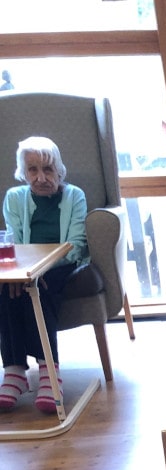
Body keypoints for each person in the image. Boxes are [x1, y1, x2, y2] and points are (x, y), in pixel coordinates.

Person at [0, 136, 89, 413]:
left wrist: (39, 271)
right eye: (33, 170)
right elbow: (15, 242)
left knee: (40, 286)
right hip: (26, 265)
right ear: (23, 172)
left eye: (48, 169)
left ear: (59, 170)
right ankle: (14, 369)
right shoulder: (15, 198)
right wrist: (23, 273)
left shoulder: (74, 196)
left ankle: (48, 371)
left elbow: (75, 245)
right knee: (6, 287)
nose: (40, 178)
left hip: (62, 265)